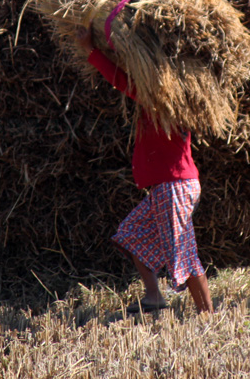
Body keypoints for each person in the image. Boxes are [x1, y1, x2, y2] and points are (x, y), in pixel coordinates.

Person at [73, 26, 214, 316]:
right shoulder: (157, 101)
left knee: (183, 254)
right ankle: (153, 297)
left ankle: (207, 316)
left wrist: (91, 50)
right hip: (166, 187)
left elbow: (120, 81)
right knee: (132, 235)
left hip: (175, 185)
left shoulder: (167, 102)